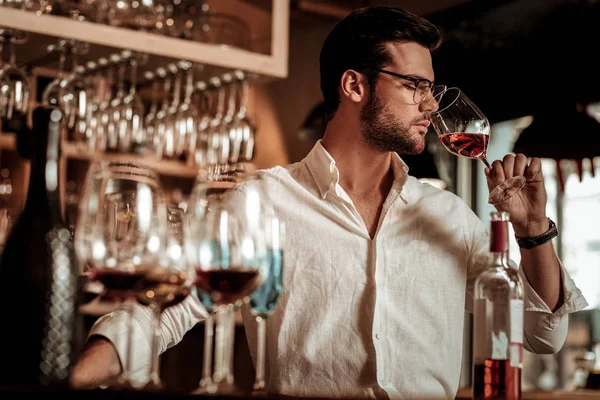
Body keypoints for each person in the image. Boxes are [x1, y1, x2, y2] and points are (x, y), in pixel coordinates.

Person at [70, 6, 588, 399]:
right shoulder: (266, 201)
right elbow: (161, 312)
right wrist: (73, 380)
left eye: (433, 89)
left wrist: (533, 229)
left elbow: (543, 334)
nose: (431, 105)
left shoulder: (450, 216)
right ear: (354, 85)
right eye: (415, 86)